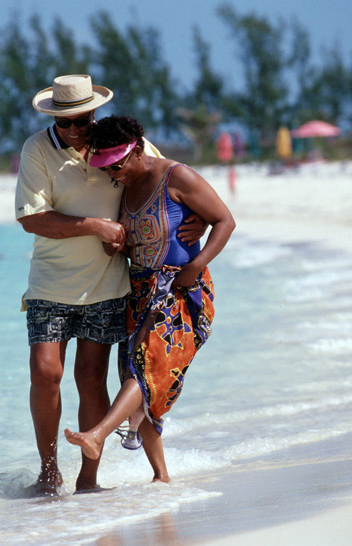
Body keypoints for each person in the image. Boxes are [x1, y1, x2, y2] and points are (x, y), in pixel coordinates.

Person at [15, 76, 204, 496]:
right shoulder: (37, 150)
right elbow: (31, 218)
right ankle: (48, 470)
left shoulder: (117, 142)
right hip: (50, 281)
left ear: (93, 113)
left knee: (91, 377)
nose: (77, 131)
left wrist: (197, 219)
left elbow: (167, 177)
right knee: (45, 373)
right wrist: (98, 226)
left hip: (107, 284)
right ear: (54, 121)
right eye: (67, 124)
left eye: (83, 120)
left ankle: (88, 479)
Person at [64, 115, 235, 484]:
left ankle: (97, 435)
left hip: (181, 291)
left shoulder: (178, 177)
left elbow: (224, 220)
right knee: (138, 376)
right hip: (140, 293)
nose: (113, 173)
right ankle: (161, 476)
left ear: (138, 150)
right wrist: (117, 246)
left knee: (144, 368)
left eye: (118, 165)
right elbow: (135, 242)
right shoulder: (124, 188)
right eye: (106, 167)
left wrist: (198, 262)